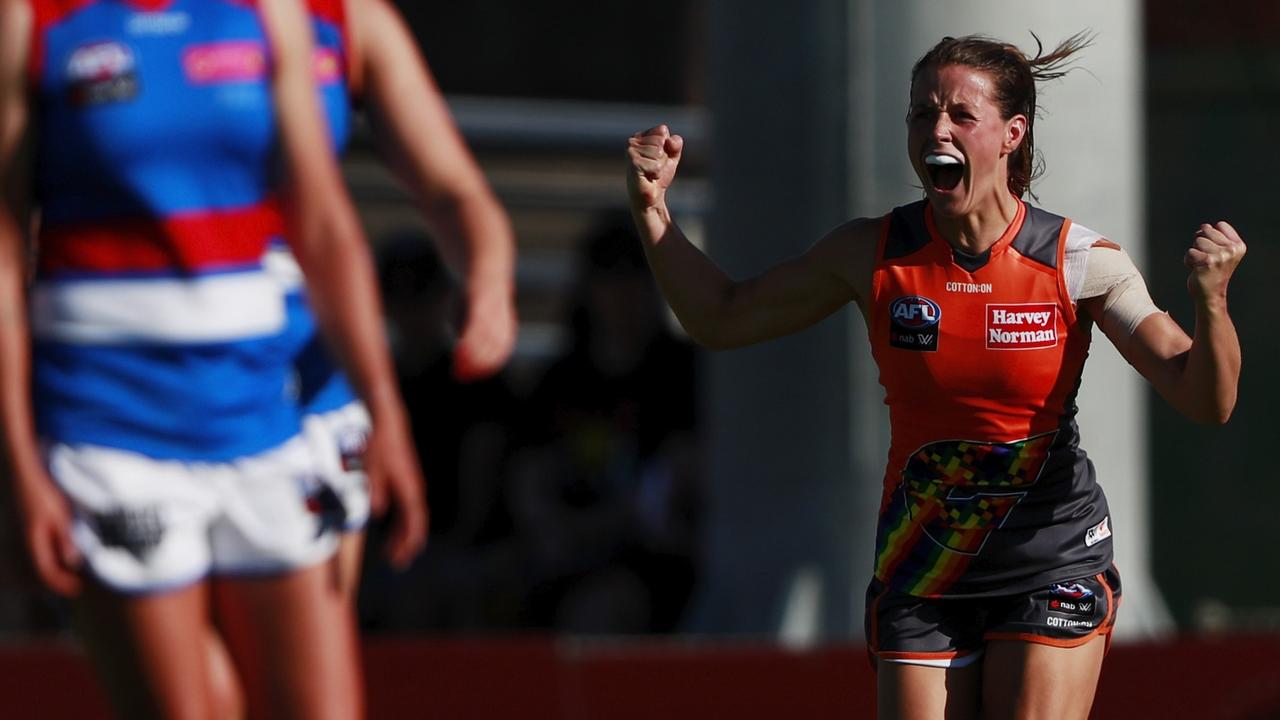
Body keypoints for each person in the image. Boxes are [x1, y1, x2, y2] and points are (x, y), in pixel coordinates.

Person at [626, 33, 1244, 720]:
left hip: (1051, 555)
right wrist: (653, 213)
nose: (936, 129)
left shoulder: (1079, 261)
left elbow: (1204, 396)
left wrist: (1211, 305)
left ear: (1013, 134)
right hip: (924, 561)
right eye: (921, 114)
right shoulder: (872, 252)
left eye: (959, 114)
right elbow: (722, 318)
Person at [0, 0, 426, 717]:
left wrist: (384, 405)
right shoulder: (32, 16)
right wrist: (14, 460)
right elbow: (5, 247)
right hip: (109, 432)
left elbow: (322, 220)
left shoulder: (268, 10)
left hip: (261, 413)